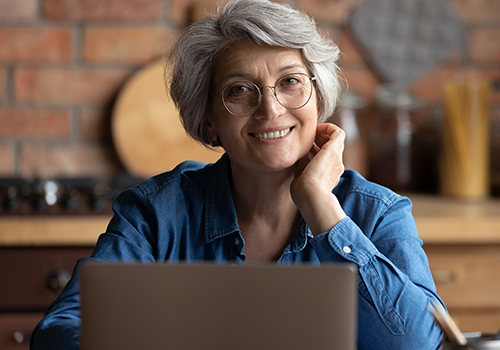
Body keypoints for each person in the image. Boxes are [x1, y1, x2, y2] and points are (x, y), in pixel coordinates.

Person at [30, 0, 444, 349]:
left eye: (290, 82)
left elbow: (422, 343)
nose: (270, 110)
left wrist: (323, 210)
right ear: (209, 122)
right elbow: (59, 331)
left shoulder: (378, 213)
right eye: (240, 90)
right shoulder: (157, 212)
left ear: (318, 99)